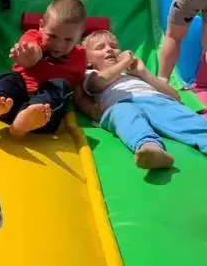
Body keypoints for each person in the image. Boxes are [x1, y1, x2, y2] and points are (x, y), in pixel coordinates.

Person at [84, 30, 207, 169]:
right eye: (100, 47)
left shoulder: (132, 73)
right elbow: (99, 82)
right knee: (126, 118)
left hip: (155, 100)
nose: (109, 49)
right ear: (88, 61)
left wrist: (143, 73)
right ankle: (150, 148)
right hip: (120, 104)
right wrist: (124, 61)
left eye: (113, 46)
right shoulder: (90, 74)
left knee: (189, 122)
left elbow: (175, 97)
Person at [0, 0, 95, 136]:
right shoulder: (32, 37)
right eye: (52, 36)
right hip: (11, 103)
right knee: (11, 78)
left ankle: (24, 123)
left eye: (68, 39)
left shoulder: (80, 56)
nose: (59, 45)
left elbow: (77, 86)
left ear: (80, 36)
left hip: (43, 115)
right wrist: (32, 55)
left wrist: (88, 105)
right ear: (41, 26)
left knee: (60, 86)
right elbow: (31, 50)